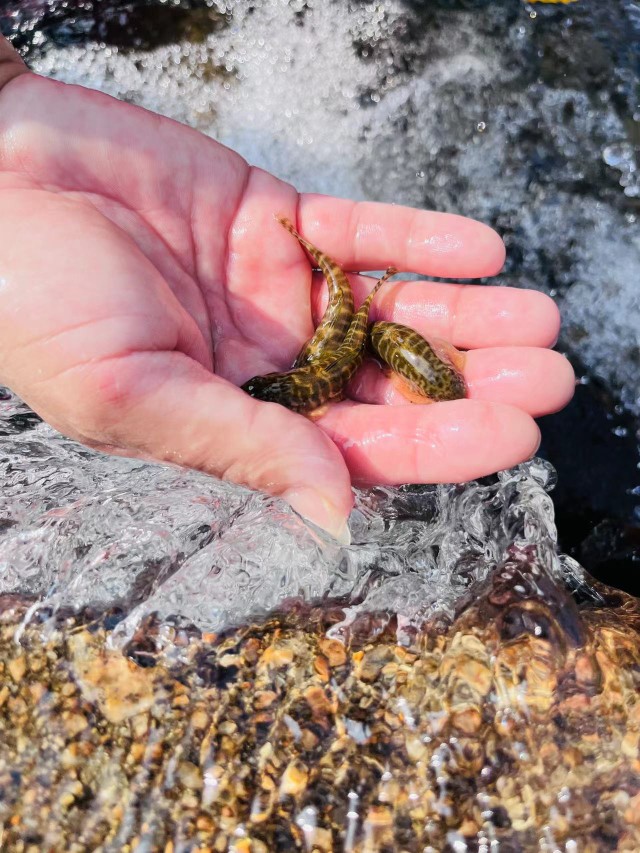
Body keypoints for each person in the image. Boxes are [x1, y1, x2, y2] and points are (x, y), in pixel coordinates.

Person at [0, 36, 574, 542]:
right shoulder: (321, 367)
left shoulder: (324, 364)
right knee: (353, 316)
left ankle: (357, 296)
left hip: (336, 355)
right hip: (334, 357)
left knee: (354, 315)